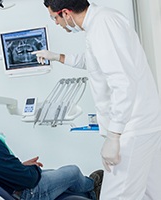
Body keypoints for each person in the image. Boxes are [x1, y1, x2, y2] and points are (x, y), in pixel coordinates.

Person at [32, 0, 161, 199]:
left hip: (131, 128)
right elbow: (94, 61)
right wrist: (58, 57)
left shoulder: (102, 26)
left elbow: (123, 82)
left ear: (66, 13)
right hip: (144, 124)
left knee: (115, 196)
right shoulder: (103, 21)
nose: (56, 23)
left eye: (54, 18)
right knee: (152, 193)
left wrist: (114, 135)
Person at [0, 75, 103, 200]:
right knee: (72, 171)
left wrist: (19, 166)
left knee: (53, 173)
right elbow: (28, 179)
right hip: (24, 193)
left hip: (3, 187)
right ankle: (93, 189)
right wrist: (29, 170)